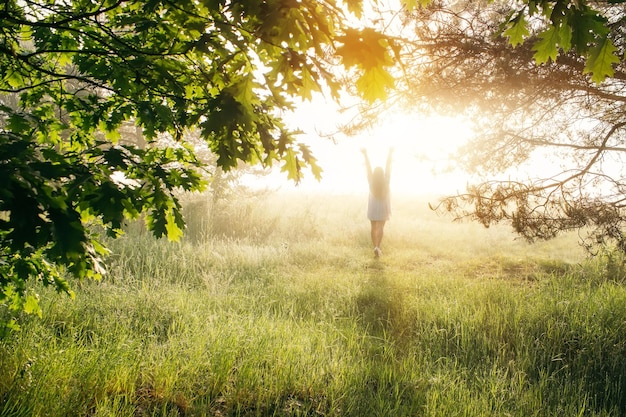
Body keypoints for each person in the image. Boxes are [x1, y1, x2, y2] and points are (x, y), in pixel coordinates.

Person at [361, 147, 393, 257]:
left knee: (373, 227)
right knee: (380, 227)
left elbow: (368, 166)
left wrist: (365, 154)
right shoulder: (386, 181)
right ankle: (377, 247)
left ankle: (375, 246)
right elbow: (388, 165)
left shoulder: (371, 180)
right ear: (382, 173)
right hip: (383, 207)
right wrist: (390, 152)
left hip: (373, 207)